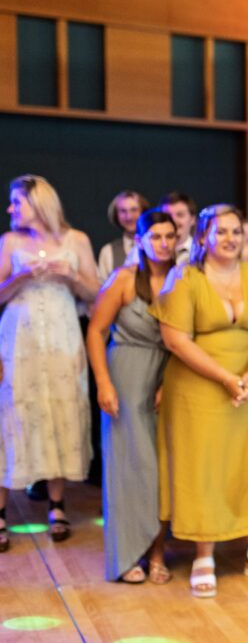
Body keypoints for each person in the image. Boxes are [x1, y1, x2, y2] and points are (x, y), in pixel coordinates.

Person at [151, 204, 248, 597]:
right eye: (221, 232)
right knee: (204, 468)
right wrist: (225, 378)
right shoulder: (185, 276)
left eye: (237, 231)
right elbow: (175, 339)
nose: (230, 239)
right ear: (202, 237)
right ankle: (205, 554)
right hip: (199, 388)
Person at [0, 175, 100, 547]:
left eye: (17, 202)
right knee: (13, 414)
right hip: (20, 339)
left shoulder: (77, 241)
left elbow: (96, 293)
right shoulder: (9, 242)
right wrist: (22, 276)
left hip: (61, 337)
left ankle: (57, 504)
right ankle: (2, 512)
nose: (11, 209)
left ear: (39, 203)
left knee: (60, 412)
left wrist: (71, 275)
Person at [86, 209, 177, 583]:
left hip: (168, 375)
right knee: (129, 468)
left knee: (161, 469)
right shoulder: (123, 279)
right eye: (156, 237)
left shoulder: (181, 279)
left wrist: (167, 383)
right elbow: (95, 331)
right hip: (125, 373)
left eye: (170, 236)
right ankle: (127, 556)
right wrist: (104, 383)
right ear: (140, 240)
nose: (164, 243)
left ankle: (158, 554)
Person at [97, 190, 149, 284]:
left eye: (134, 210)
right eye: (123, 211)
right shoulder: (108, 252)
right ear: (116, 216)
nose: (129, 217)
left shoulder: (157, 245)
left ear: (143, 212)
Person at [158, 192, 197, 266]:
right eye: (168, 216)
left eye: (180, 215)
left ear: (192, 219)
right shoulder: (146, 252)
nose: (173, 220)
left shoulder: (201, 253)